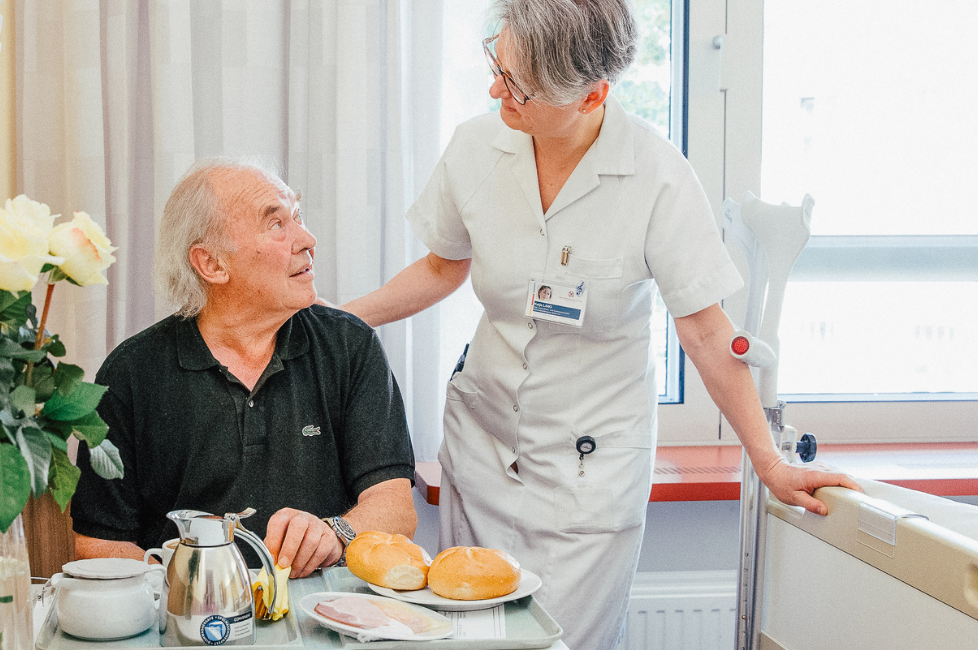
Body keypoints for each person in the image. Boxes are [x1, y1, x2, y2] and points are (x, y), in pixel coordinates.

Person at [341, 1, 861, 647]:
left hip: (588, 468)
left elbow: (703, 328)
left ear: (592, 95)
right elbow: (442, 267)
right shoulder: (478, 144)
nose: (495, 88)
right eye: (496, 65)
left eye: (518, 85)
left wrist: (768, 461)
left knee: (561, 640)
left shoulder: (656, 174)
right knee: (466, 636)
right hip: (484, 446)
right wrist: (331, 321)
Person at [71, 158, 417, 578]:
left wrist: (335, 533)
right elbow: (99, 543)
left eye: (297, 217)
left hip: (322, 610)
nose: (308, 239)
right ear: (212, 264)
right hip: (186, 622)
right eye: (276, 224)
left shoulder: (349, 345)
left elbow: (396, 508)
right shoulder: (133, 373)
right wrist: (190, 588)